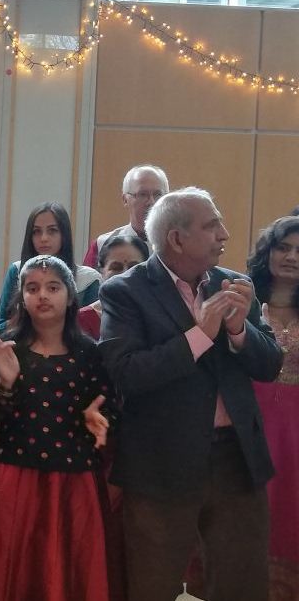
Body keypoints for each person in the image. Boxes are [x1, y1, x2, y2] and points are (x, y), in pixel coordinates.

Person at [99, 187, 284, 601]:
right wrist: (199, 336)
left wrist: (239, 330)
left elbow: (269, 365)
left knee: (243, 584)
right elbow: (127, 374)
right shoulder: (124, 292)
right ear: (177, 239)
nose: (224, 234)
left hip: (236, 456)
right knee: (152, 584)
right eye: (211, 225)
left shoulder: (234, 284)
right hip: (161, 461)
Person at [0, 255, 114, 601]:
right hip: (17, 474)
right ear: (22, 298)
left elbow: (109, 404)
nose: (42, 295)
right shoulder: (7, 349)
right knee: (15, 567)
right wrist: (6, 384)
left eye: (53, 287)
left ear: (70, 297)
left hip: (73, 479)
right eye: (32, 288)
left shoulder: (90, 353)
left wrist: (99, 418)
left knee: (68, 569)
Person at [247, 215, 299, 601]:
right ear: (268, 252)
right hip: (248, 419)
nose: (292, 256)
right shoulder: (244, 300)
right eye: (283, 247)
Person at [0, 202, 102, 331]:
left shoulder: (88, 279)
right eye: (36, 231)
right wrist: (22, 320)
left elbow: (92, 330)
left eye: (52, 230)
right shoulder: (17, 271)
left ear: (64, 234)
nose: (44, 238)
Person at [83, 165, 169, 269]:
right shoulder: (102, 244)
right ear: (125, 200)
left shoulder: (177, 244)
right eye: (142, 194)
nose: (151, 202)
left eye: (158, 195)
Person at [78, 234, 149, 339]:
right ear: (101, 271)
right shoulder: (82, 320)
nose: (125, 274)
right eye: (116, 268)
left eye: (133, 268)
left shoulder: (158, 314)